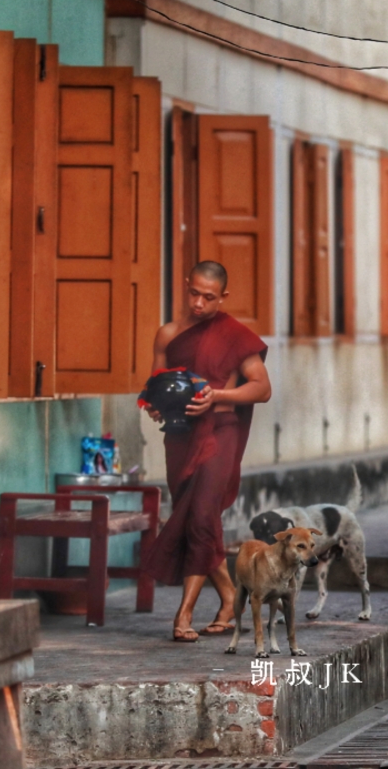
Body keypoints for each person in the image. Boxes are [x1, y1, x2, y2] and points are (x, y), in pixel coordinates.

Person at [142, 261, 271, 642]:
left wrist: (217, 396)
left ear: (223, 297)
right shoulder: (168, 334)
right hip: (180, 437)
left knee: (199, 517)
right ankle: (230, 598)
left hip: (220, 434)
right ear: (186, 286)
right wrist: (154, 404)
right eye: (194, 293)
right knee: (197, 521)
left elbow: (261, 389)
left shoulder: (235, 335)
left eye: (209, 297)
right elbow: (155, 384)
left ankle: (183, 614)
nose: (199, 303)